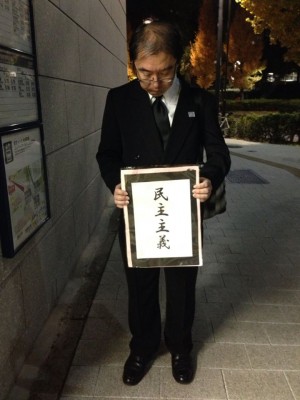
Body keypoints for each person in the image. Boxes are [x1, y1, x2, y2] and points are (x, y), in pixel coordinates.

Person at [96, 20, 231, 386]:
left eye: (165, 72)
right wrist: (114, 186)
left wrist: (209, 178)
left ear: (179, 62)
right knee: (139, 284)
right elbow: (107, 154)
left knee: (182, 285)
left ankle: (181, 347)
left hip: (183, 214)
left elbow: (219, 153)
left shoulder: (200, 101)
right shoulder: (119, 100)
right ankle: (141, 347)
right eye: (145, 73)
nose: (155, 82)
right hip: (137, 212)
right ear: (134, 63)